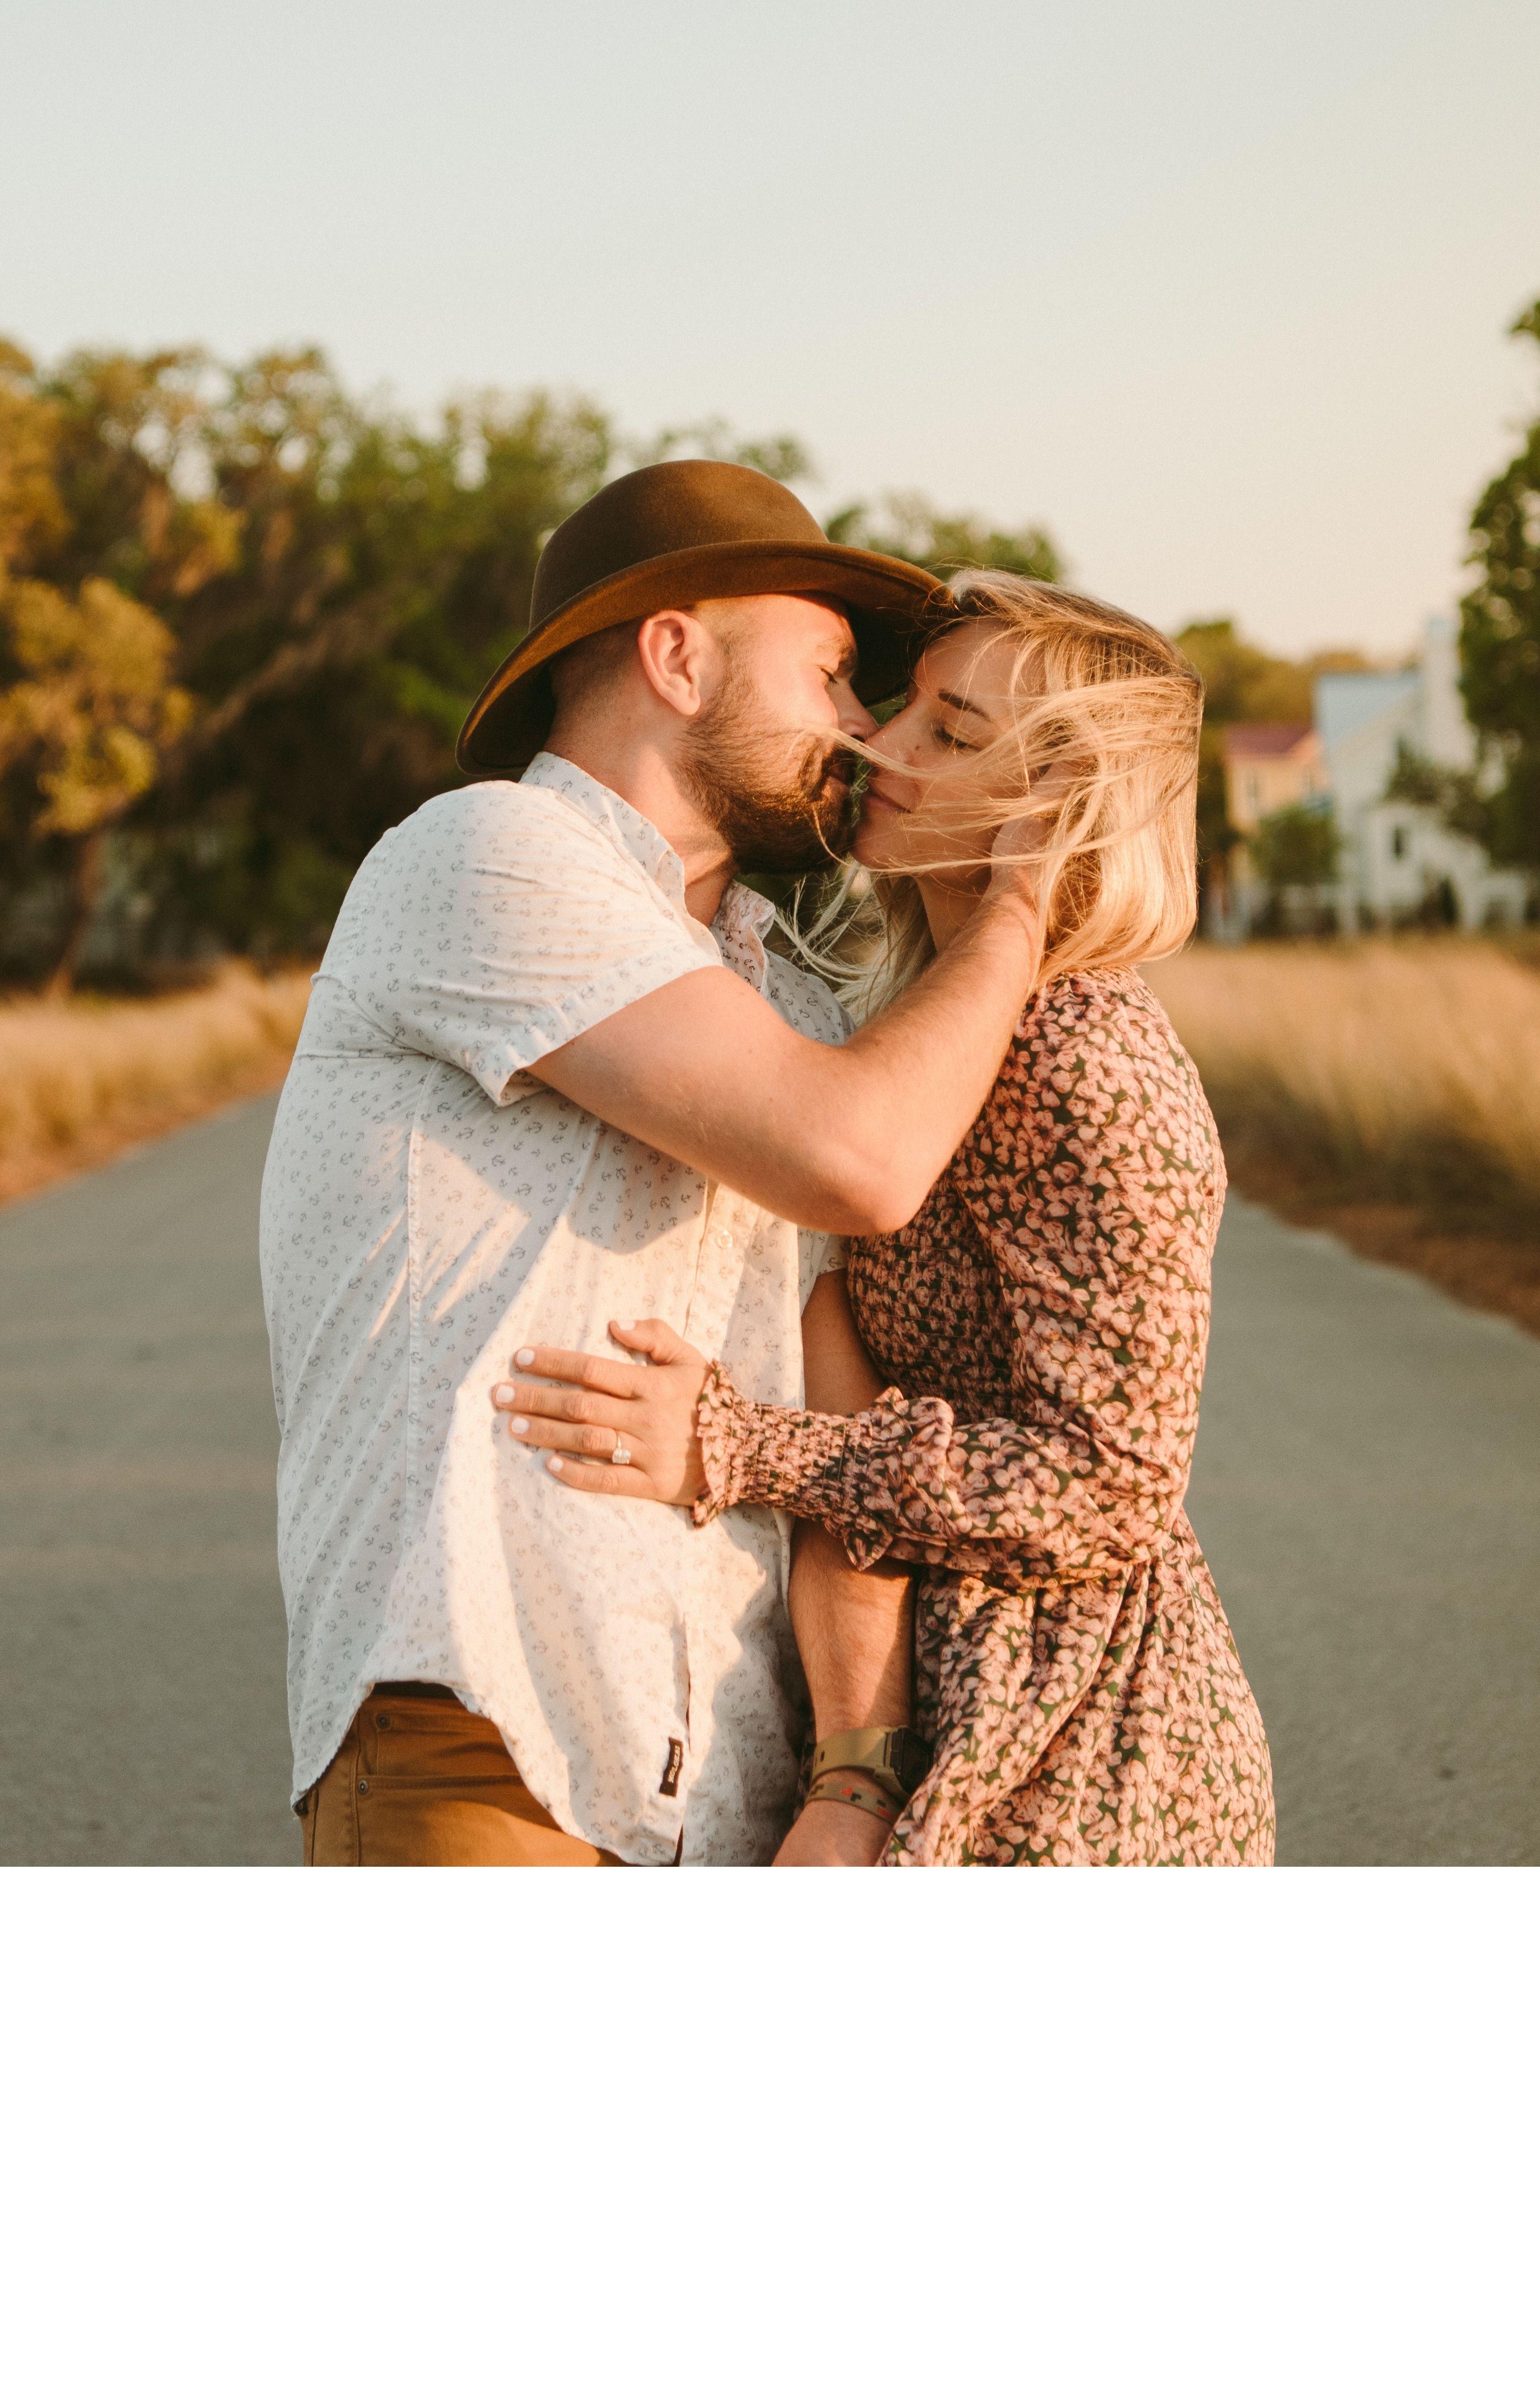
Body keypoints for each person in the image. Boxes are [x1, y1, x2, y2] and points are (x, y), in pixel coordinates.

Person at [262, 459, 1053, 1866]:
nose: (864, 728)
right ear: (678, 658)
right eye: (829, 674)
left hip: (732, 1797)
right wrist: (1022, 901)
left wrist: (855, 1775)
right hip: (489, 1752)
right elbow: (857, 1160)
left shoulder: (799, 1010)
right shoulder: (483, 853)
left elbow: (839, 1436)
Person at [487, 570, 1278, 1866]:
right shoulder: (915, 1038)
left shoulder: (1087, 1057)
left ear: (1052, 806)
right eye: (903, 705)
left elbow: (1112, 1482)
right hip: (924, 1712)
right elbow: (847, 1329)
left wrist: (743, 1446)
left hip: (1076, 1751)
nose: (878, 741)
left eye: (952, 734)